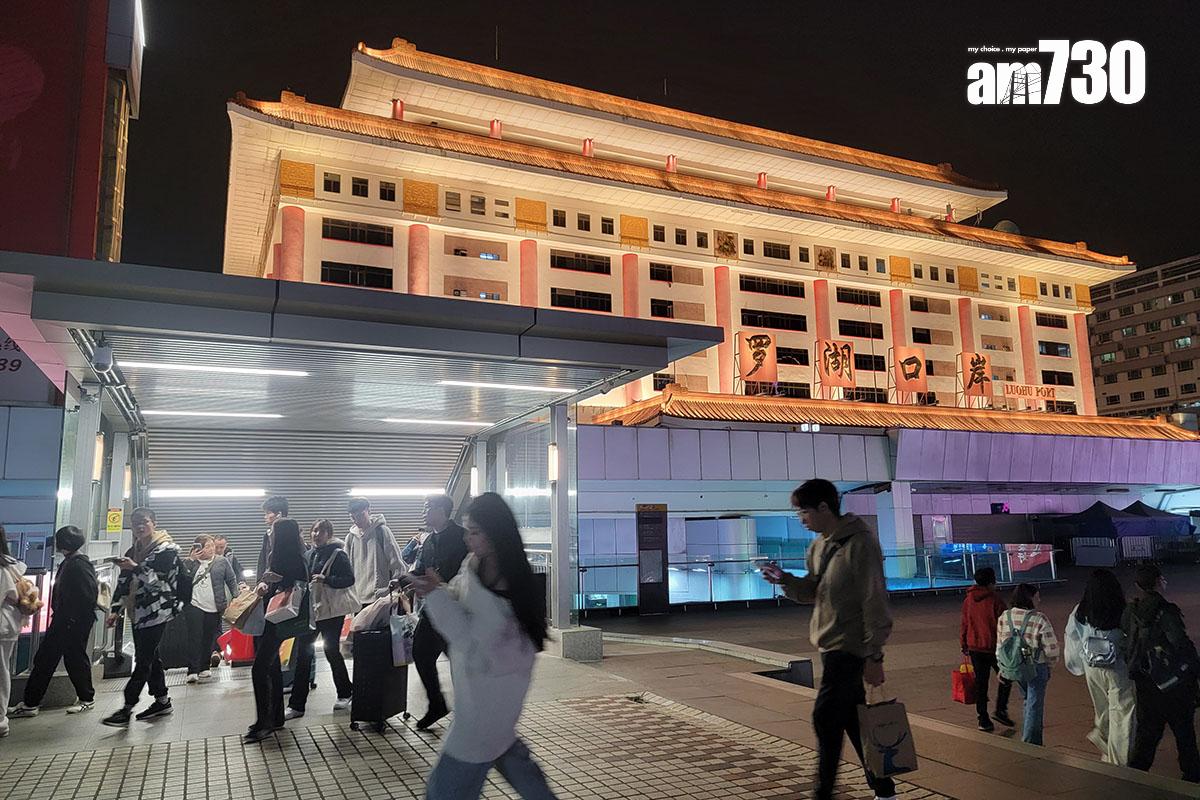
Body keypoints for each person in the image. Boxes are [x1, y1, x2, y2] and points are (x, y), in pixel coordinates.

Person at [410, 492, 556, 800]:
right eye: (468, 530)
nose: (467, 538)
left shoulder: (508, 589)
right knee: (507, 750)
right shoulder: (475, 564)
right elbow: (460, 600)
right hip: (485, 700)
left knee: (446, 789)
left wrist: (435, 597)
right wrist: (438, 589)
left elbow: (470, 639)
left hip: (487, 701)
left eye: (474, 532)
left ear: (494, 534)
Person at [759, 479, 895, 800]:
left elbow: (874, 599)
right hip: (828, 645)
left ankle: (823, 793)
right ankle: (885, 790)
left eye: (804, 512)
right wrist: (784, 580)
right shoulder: (819, 545)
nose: (801, 519)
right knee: (854, 721)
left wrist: (874, 655)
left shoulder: (861, 543)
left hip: (849, 648)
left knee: (825, 718)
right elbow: (813, 591)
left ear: (824, 507)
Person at [102, 509, 183, 727]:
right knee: (151, 657)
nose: (140, 527)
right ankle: (162, 701)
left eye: (144, 522)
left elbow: (159, 583)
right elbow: (124, 581)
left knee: (144, 659)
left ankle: (127, 707)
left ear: (154, 523)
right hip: (137, 612)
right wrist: (115, 609)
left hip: (158, 611)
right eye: (135, 523)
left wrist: (135, 567)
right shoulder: (134, 550)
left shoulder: (167, 549)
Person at [8, 525, 98, 721]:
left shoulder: (77, 565)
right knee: (50, 659)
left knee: (66, 659)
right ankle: (32, 702)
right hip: (67, 620)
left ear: (64, 543)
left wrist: (71, 619)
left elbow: (87, 596)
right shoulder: (74, 562)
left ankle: (84, 698)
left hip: (70, 622)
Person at [1122, 564, 1200, 782]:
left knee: (1147, 729)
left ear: (1138, 585)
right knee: (1183, 728)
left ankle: (1137, 771)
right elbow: (1180, 642)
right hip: (1172, 681)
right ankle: (1192, 772)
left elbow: (1126, 640)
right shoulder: (1166, 611)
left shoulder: (1130, 611)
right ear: (1158, 582)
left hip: (1144, 678)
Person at [244, 517, 309, 743]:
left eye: (273, 531)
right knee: (271, 667)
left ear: (282, 535)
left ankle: (264, 722)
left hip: (279, 619)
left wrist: (277, 580)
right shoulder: (277, 555)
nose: (270, 534)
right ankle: (275, 717)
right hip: (272, 617)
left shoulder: (295, 558)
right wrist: (266, 584)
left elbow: (300, 584)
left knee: (259, 668)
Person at [285, 519, 355, 718]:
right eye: (314, 530)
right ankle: (297, 705)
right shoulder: (309, 554)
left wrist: (327, 580)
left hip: (331, 612)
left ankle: (345, 692)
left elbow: (349, 579)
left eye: (322, 531)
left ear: (329, 534)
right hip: (312, 611)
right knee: (303, 655)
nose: (317, 534)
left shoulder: (338, 554)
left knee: (331, 650)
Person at [1064, 569, 1135, 765]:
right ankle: (1117, 760)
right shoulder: (1121, 609)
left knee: (1101, 708)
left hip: (1092, 666)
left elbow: (1072, 636)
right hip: (1117, 666)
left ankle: (1102, 737)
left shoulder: (1081, 611)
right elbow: (1131, 638)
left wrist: (1078, 663)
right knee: (1122, 712)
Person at [411, 493, 469, 731]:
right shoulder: (428, 540)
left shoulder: (462, 537)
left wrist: (442, 583)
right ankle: (436, 703)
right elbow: (422, 569)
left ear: (442, 510)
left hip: (456, 610)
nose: (424, 512)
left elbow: (466, 575)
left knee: (459, 662)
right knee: (420, 652)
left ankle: (468, 712)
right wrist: (405, 580)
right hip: (433, 608)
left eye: (428, 508)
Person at [996, 583, 1059, 746]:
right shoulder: (1039, 618)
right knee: (1034, 704)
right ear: (1029, 598)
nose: (1039, 599)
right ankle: (1031, 742)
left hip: (1015, 666)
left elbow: (1000, 646)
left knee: (1027, 699)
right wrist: (1050, 666)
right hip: (1037, 665)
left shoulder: (1005, 616)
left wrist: (1002, 667)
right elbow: (1052, 649)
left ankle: (1029, 735)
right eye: (1037, 596)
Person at [960, 567, 1013, 732]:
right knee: (1006, 676)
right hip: (993, 646)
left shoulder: (968, 600)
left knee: (981, 683)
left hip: (974, 647)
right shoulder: (996, 601)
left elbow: (965, 623)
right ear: (991, 582)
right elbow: (1005, 625)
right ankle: (1000, 709)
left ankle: (983, 719)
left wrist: (964, 643)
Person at [183, 535, 237, 683]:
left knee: (208, 637)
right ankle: (192, 669)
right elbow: (182, 578)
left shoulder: (221, 561)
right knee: (194, 636)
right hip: (194, 604)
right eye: (207, 546)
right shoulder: (190, 562)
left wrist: (236, 597)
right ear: (198, 548)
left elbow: (231, 579)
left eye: (212, 545)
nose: (211, 549)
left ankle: (204, 667)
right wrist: (191, 560)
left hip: (215, 605)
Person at [345, 496, 404, 606]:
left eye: (360, 515)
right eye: (352, 517)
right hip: (358, 598)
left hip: (380, 596)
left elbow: (396, 561)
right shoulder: (350, 538)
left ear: (368, 510)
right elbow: (347, 568)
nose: (356, 520)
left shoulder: (381, 531)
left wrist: (397, 585)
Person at [1, 526, 30, 735]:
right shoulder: (10, 564)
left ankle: (1, 720)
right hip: (8, 625)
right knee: (2, 671)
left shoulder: (2, 568)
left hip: (2, 626)